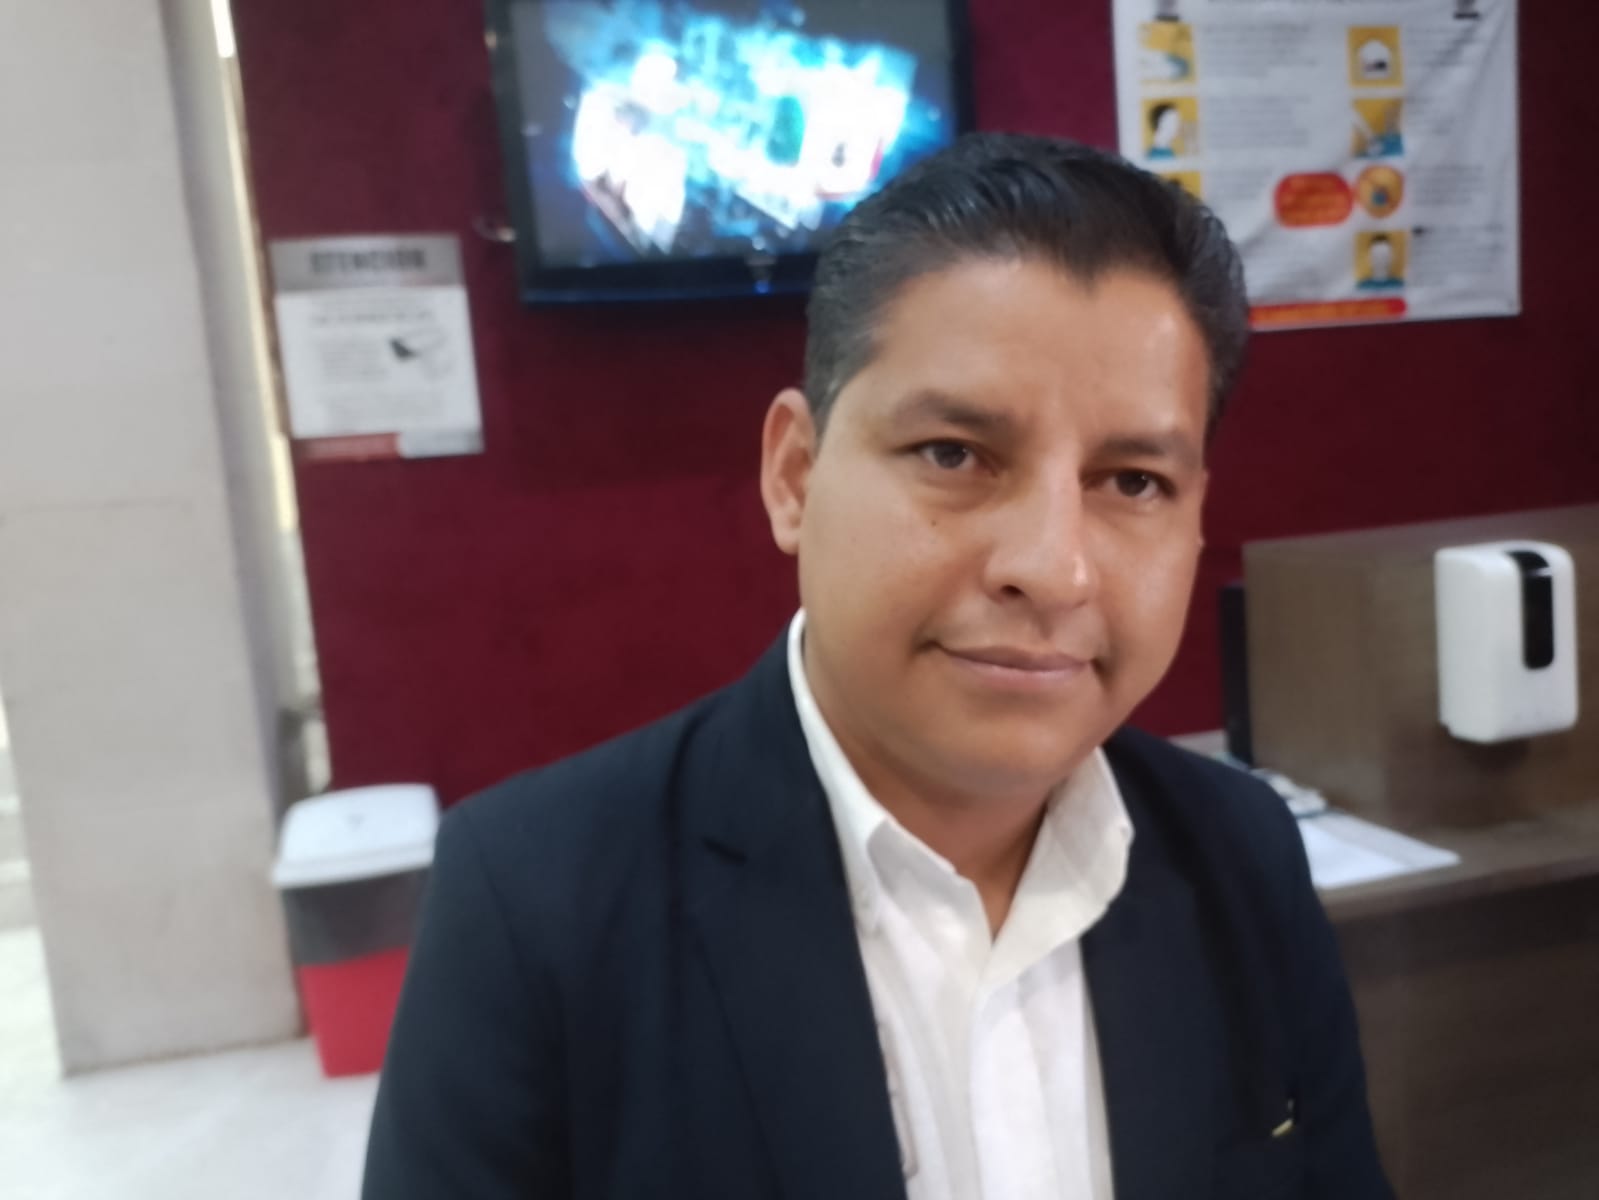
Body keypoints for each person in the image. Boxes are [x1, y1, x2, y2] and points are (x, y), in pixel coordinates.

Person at [362, 133, 1394, 1200]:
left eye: (1132, 481)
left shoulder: (1239, 851)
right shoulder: (535, 903)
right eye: (954, 455)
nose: (1052, 569)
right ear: (795, 476)